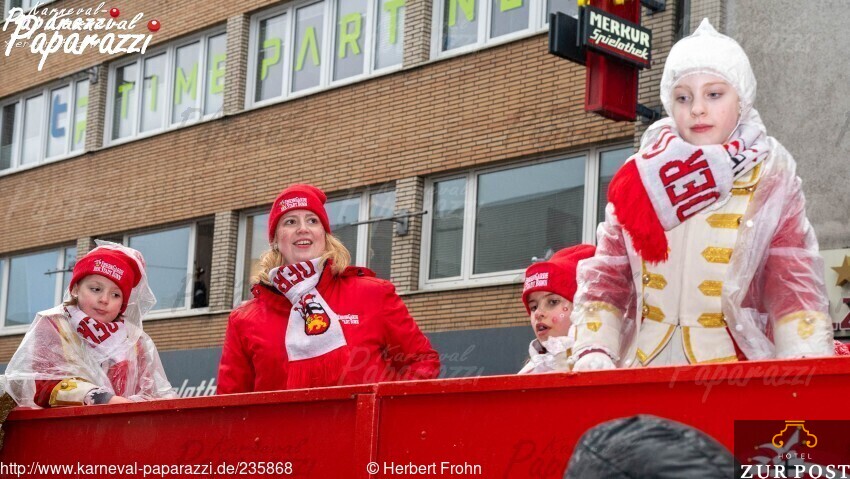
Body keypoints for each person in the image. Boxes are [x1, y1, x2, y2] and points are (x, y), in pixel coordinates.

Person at [569, 19, 833, 370]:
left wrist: (803, 360)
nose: (696, 109)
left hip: (733, 371)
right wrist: (594, 347)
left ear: (742, 100)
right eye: (683, 97)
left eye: (714, 94)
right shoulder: (639, 175)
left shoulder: (771, 172)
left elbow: (791, 278)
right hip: (643, 368)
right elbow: (608, 274)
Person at [217, 184, 440, 393]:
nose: (303, 229)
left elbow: (421, 361)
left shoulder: (373, 294)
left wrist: (385, 410)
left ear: (324, 235)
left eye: (312, 221)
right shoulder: (244, 320)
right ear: (275, 240)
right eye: (290, 222)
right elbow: (229, 403)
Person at [2, 242, 175, 407]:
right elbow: (42, 384)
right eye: (96, 289)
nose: (104, 299)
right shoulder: (53, 325)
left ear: (123, 303)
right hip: (67, 426)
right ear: (75, 289)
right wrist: (98, 397)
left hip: (123, 425)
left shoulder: (133, 340)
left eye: (115, 294)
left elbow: (152, 392)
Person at [518, 245, 595, 374]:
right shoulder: (527, 375)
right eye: (533, 307)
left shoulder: (606, 364)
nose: (538, 313)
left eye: (553, 302)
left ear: (583, 308)